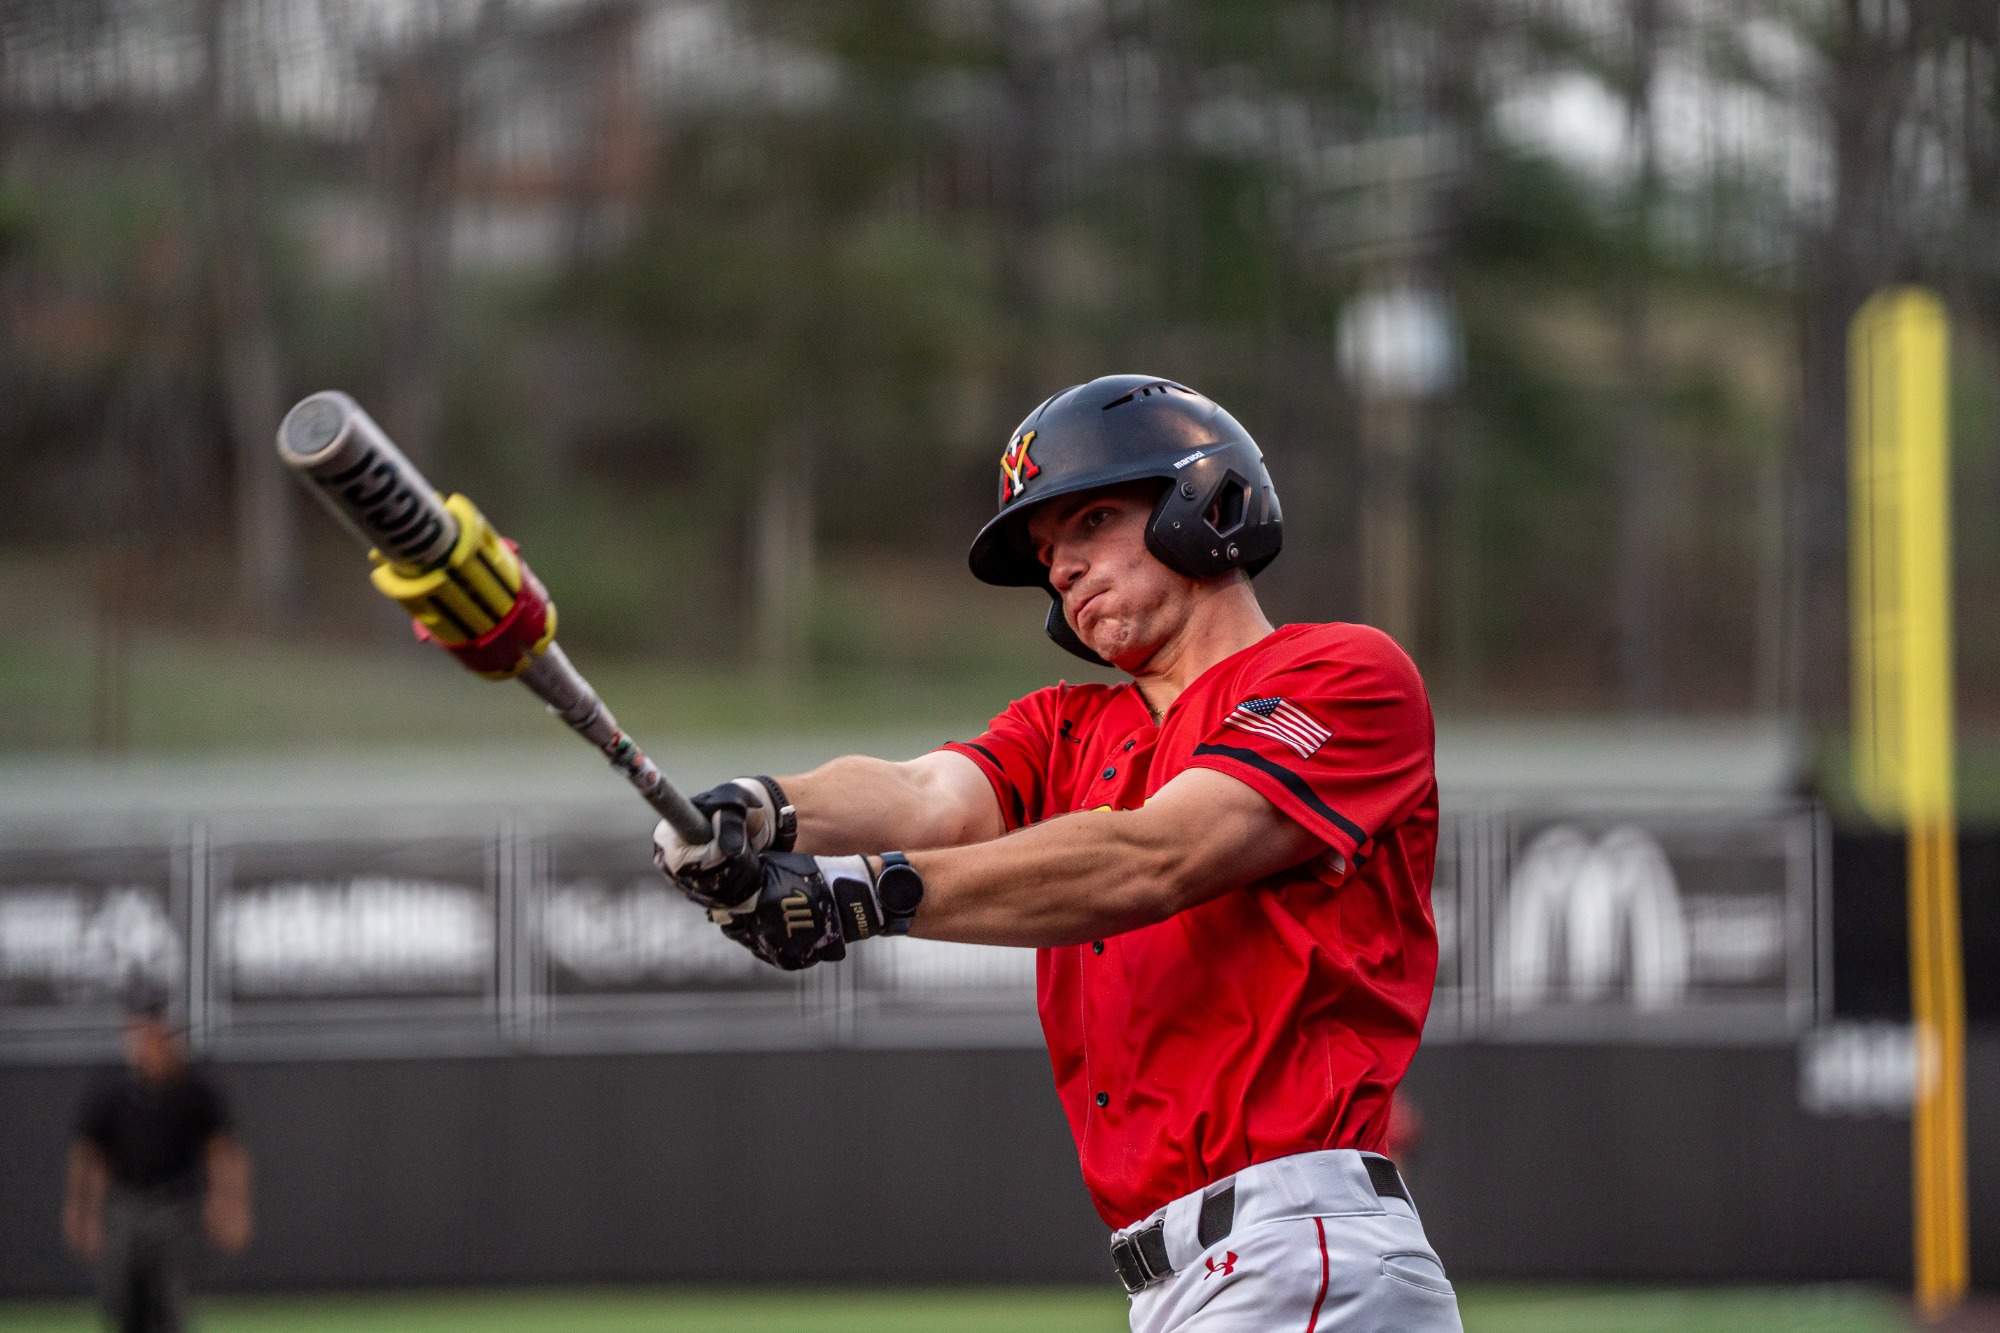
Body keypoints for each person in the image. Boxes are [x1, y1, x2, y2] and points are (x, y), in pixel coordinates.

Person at [656, 375, 1457, 1332]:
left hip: (1299, 1248)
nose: (1063, 566)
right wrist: (765, 808)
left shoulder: (1343, 673)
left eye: (1093, 520)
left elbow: (1160, 854)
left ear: (1204, 501)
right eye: (1047, 552)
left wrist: (861, 898)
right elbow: (925, 796)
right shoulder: (1066, 727)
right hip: (1190, 1279)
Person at [62, 984, 253, 1333]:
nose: (146, 1037)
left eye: (154, 1026)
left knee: (171, 1303)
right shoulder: (111, 1085)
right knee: (120, 1300)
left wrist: (228, 1204)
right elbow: (90, 1153)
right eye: (138, 1027)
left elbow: (224, 1150)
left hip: (176, 1205)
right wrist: (81, 1210)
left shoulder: (193, 1085)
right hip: (126, 1204)